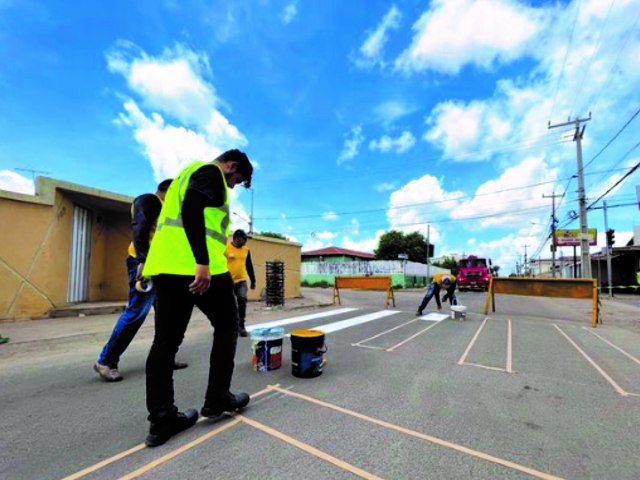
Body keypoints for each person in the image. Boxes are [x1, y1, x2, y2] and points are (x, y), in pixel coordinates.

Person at [142, 149, 254, 447]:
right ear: (231, 166)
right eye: (237, 180)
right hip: (199, 269)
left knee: (165, 342)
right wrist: (201, 262)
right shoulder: (211, 173)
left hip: (168, 268)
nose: (233, 187)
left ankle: (162, 420)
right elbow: (192, 207)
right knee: (228, 325)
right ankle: (217, 399)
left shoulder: (186, 173)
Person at [94, 179, 188, 382]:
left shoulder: (167, 210)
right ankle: (106, 361)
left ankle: (165, 358)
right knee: (136, 312)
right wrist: (143, 261)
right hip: (144, 264)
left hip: (161, 268)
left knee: (167, 315)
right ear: (169, 191)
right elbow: (140, 229)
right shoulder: (148, 200)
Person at [225, 229, 256, 337]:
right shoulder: (226, 247)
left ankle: (241, 326)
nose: (245, 242)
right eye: (243, 239)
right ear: (236, 238)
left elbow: (249, 265)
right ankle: (225, 325)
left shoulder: (246, 250)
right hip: (227, 281)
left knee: (242, 300)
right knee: (228, 304)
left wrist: (253, 280)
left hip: (241, 281)